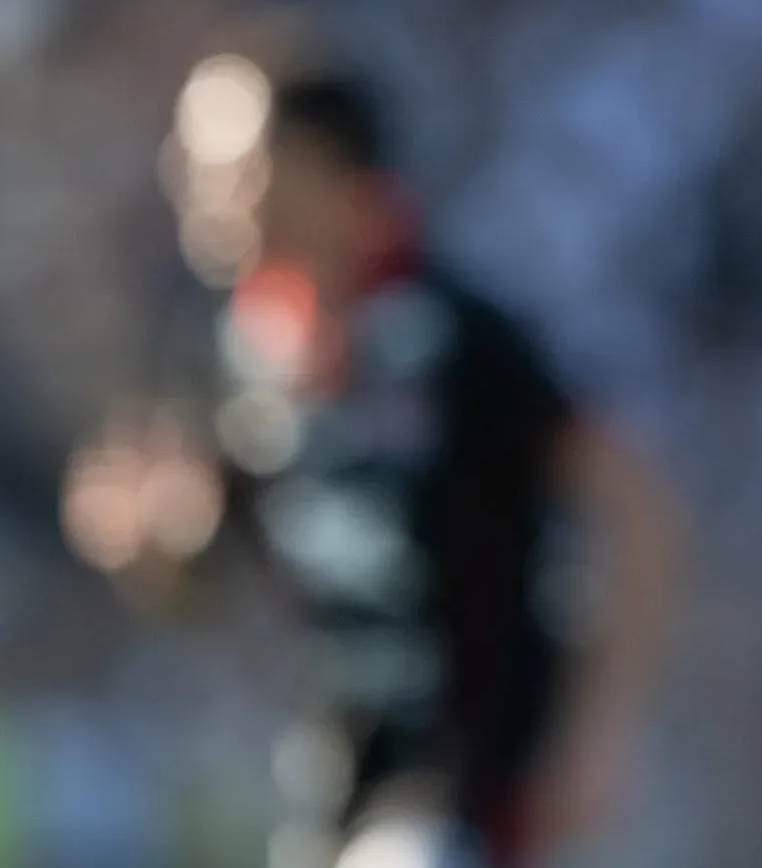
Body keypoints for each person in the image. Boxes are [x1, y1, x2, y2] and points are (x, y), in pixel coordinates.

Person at [68, 47, 683, 868]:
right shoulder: (231, 349)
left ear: (323, 169)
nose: (191, 179)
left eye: (225, 157)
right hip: (342, 776)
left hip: (468, 775)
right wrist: (146, 543)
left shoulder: (446, 332)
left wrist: (597, 730)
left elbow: (640, 513)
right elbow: (197, 577)